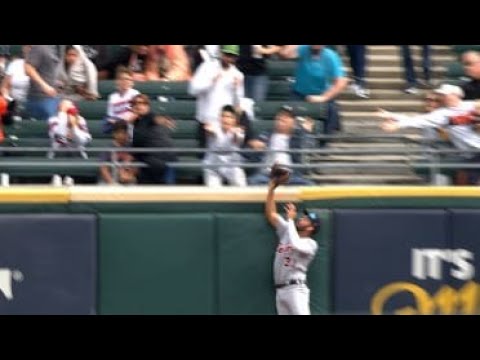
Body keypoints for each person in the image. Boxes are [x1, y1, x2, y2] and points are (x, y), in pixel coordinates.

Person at [265, 173, 320, 315]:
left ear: (311, 227)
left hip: (296, 288)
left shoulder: (310, 244)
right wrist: (271, 189)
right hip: (281, 289)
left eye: (306, 219)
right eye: (303, 216)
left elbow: (296, 244)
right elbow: (271, 214)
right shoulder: (287, 232)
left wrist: (290, 220)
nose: (302, 218)